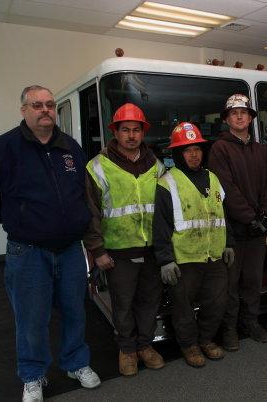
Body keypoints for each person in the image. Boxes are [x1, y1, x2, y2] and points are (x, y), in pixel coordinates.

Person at [0, 85, 100, 402]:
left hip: (69, 249)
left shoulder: (70, 147)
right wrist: (16, 218)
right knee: (31, 318)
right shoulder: (4, 148)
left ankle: (76, 363)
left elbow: (83, 192)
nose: (45, 110)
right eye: (37, 104)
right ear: (24, 110)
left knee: (74, 311)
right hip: (27, 252)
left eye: (50, 105)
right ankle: (33, 375)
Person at [84, 103, 165, 376]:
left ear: (143, 133)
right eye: (125, 130)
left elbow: (166, 207)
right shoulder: (97, 167)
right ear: (115, 132)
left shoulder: (156, 164)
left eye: (136, 130)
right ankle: (127, 350)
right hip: (118, 251)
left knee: (149, 301)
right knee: (123, 304)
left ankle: (145, 346)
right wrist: (97, 250)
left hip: (153, 248)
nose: (131, 135)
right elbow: (91, 213)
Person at [153, 122, 234, 367]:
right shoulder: (168, 182)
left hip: (214, 255)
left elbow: (222, 214)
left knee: (217, 302)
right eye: (187, 149)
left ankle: (206, 339)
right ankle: (189, 346)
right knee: (183, 307)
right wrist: (165, 260)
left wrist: (228, 243)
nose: (193, 154)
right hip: (184, 258)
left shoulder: (213, 177)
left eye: (197, 148)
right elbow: (161, 225)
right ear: (177, 153)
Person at [208, 94, 267, 349]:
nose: (239, 116)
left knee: (253, 280)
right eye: (234, 113)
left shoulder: (260, 150)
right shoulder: (219, 149)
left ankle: (251, 322)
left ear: (250, 118)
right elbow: (226, 189)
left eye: (244, 113)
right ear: (227, 119)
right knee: (231, 283)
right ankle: (229, 329)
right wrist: (250, 218)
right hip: (233, 230)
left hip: (258, 230)